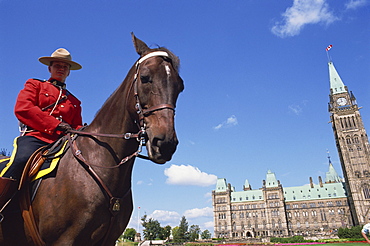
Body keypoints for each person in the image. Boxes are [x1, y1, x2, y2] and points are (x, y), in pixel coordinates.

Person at [0, 48, 83, 212]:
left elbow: (77, 126)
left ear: (69, 72)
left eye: (65, 67)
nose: (61, 69)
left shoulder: (74, 101)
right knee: (20, 160)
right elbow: (23, 108)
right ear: (49, 68)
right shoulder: (35, 85)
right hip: (36, 137)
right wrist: (55, 124)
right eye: (57, 65)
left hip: (63, 143)